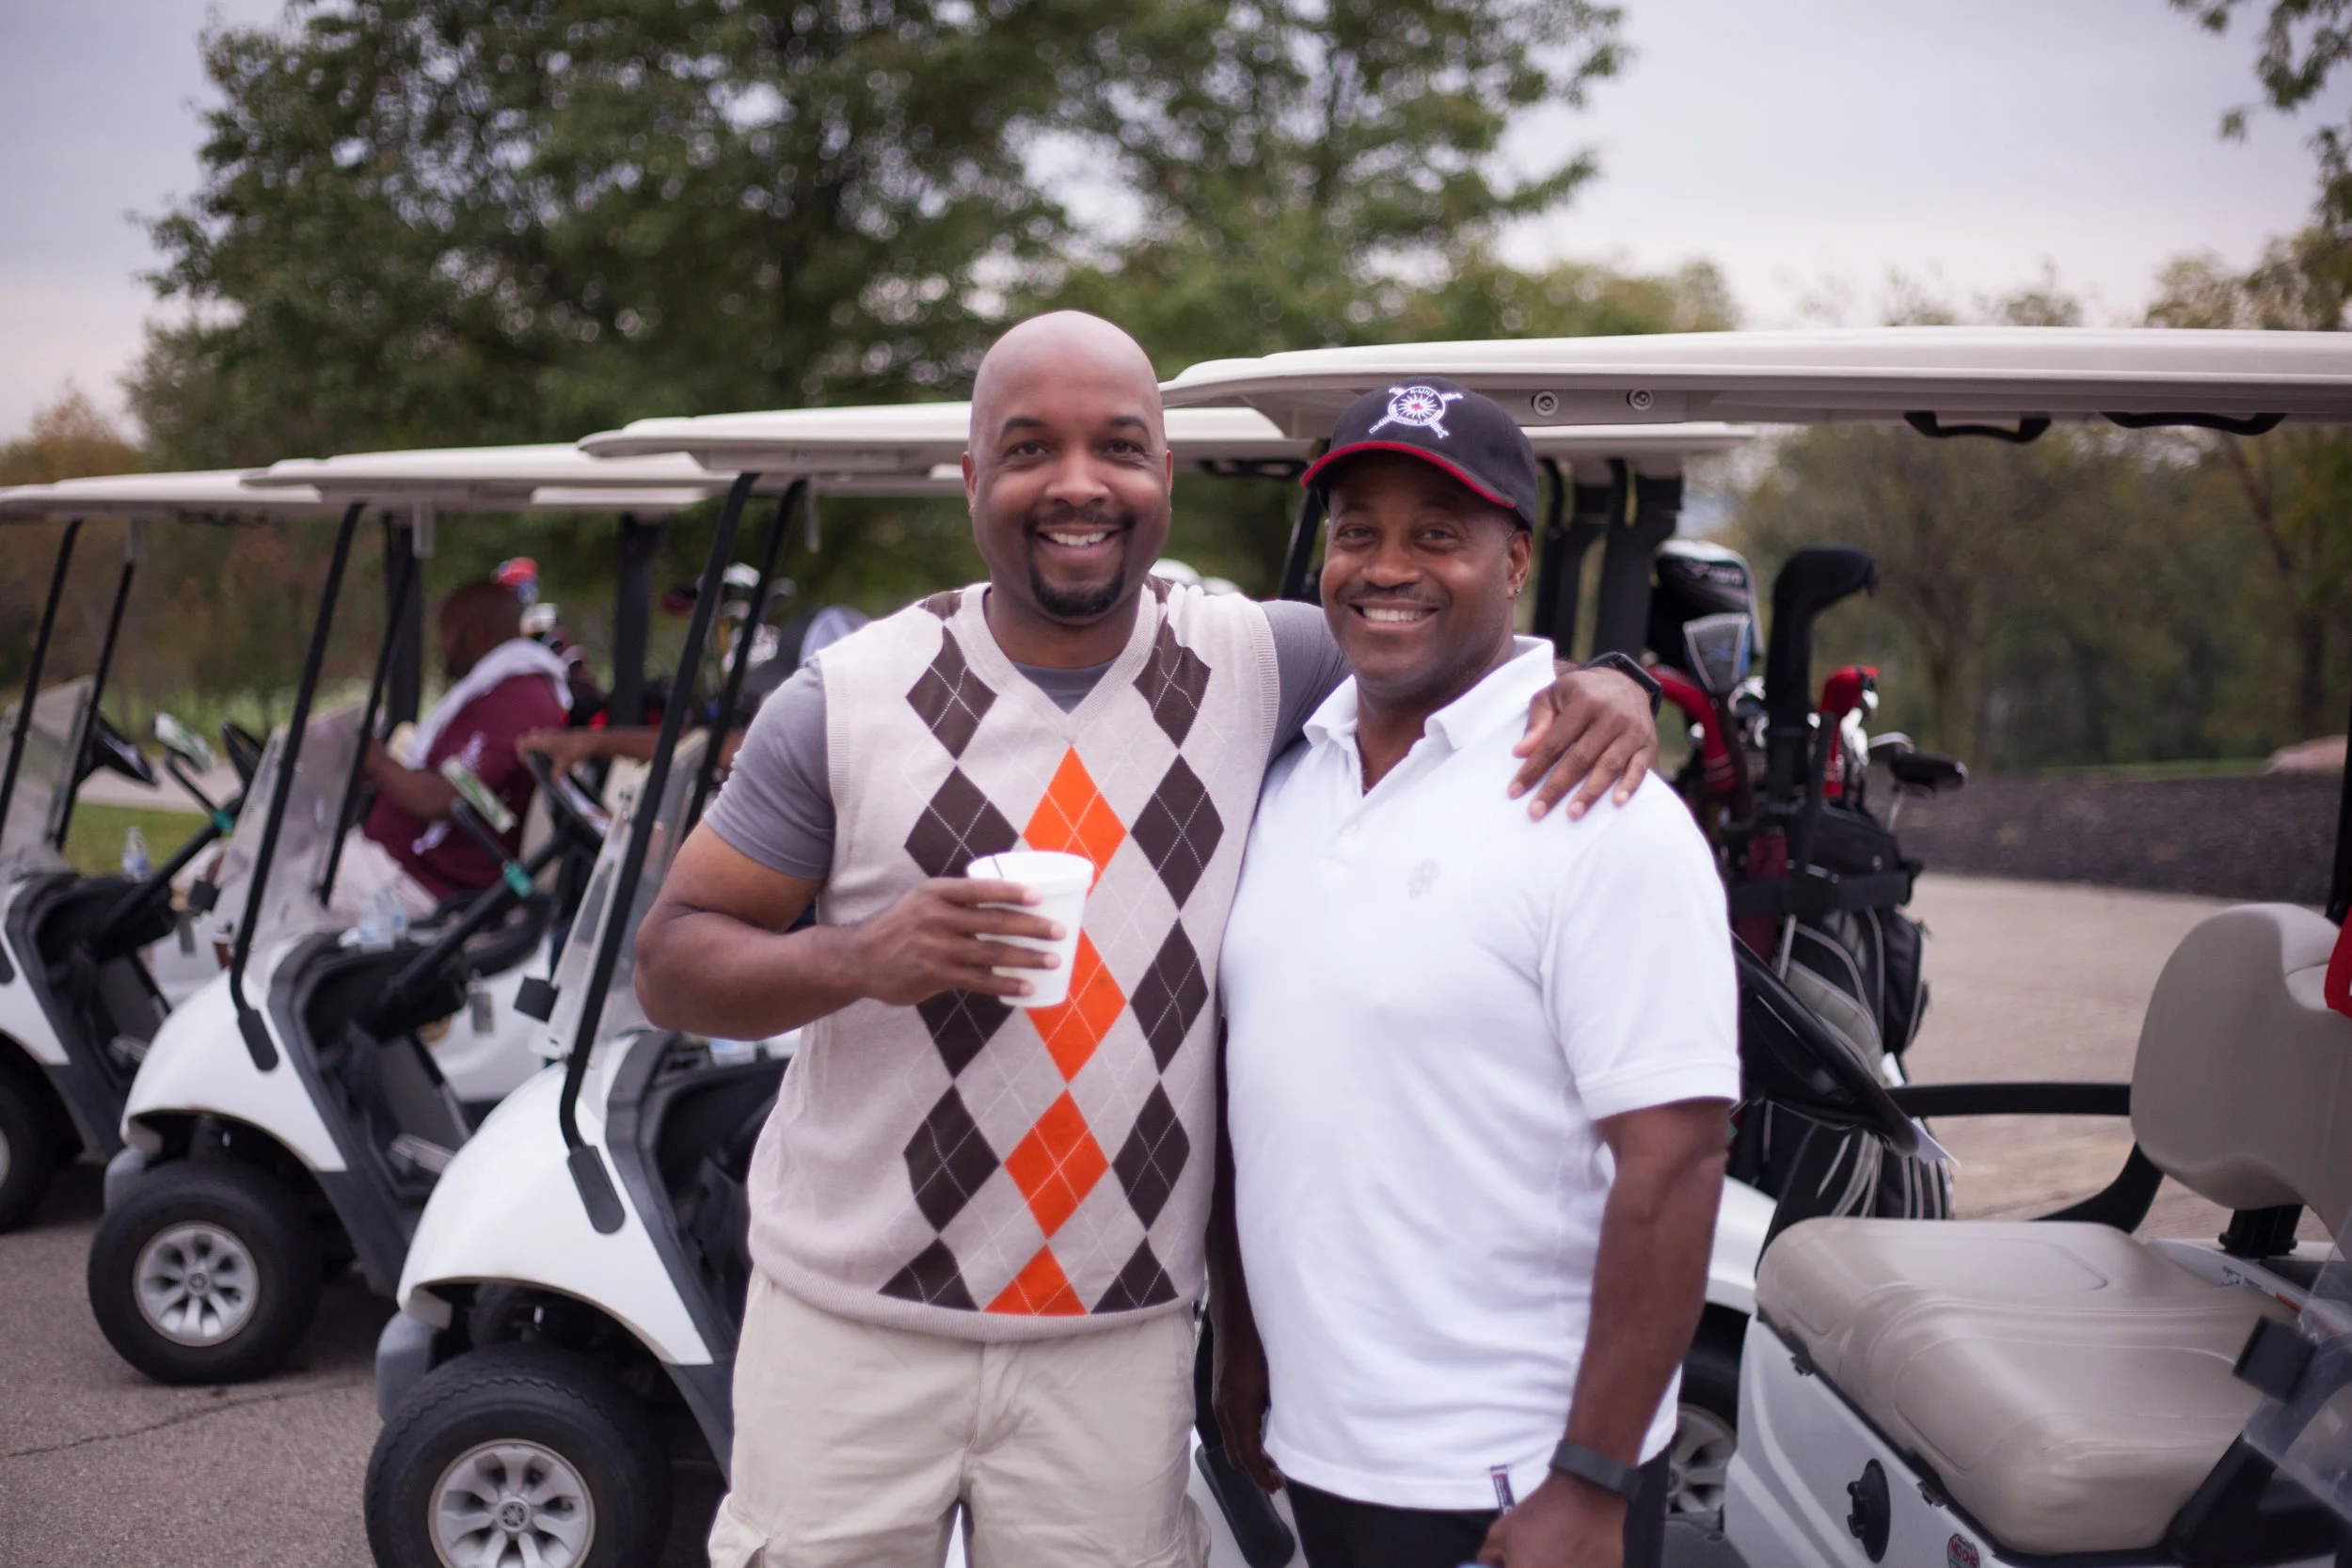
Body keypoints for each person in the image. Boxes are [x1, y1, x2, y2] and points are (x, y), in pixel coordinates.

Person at [630, 312, 1662, 1568]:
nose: (1078, 483)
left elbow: (1448, 644)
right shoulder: (848, 697)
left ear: (1162, 475)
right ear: (971, 477)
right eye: (1030, 449)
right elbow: (672, 957)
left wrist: (1619, 680)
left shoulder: (1265, 661)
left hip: (1118, 1340)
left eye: (1118, 447)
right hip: (852, 1324)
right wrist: (855, 958)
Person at [1209, 380, 1740, 1568]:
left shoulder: (1605, 812)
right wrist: (1241, 1336)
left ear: (1514, 560)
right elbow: (1267, 1086)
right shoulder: (1290, 775)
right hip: (1325, 1446)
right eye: (1357, 530)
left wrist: (1591, 1481)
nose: (1387, 566)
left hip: (1511, 1478)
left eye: (1437, 532)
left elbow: (1676, 1160)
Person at [328, 579, 571, 922]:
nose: (442, 646)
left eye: (446, 633)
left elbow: (447, 796)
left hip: (422, 883)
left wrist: (377, 761)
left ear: (475, 633)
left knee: (263, 878)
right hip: (402, 866)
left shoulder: (512, 701)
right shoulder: (502, 691)